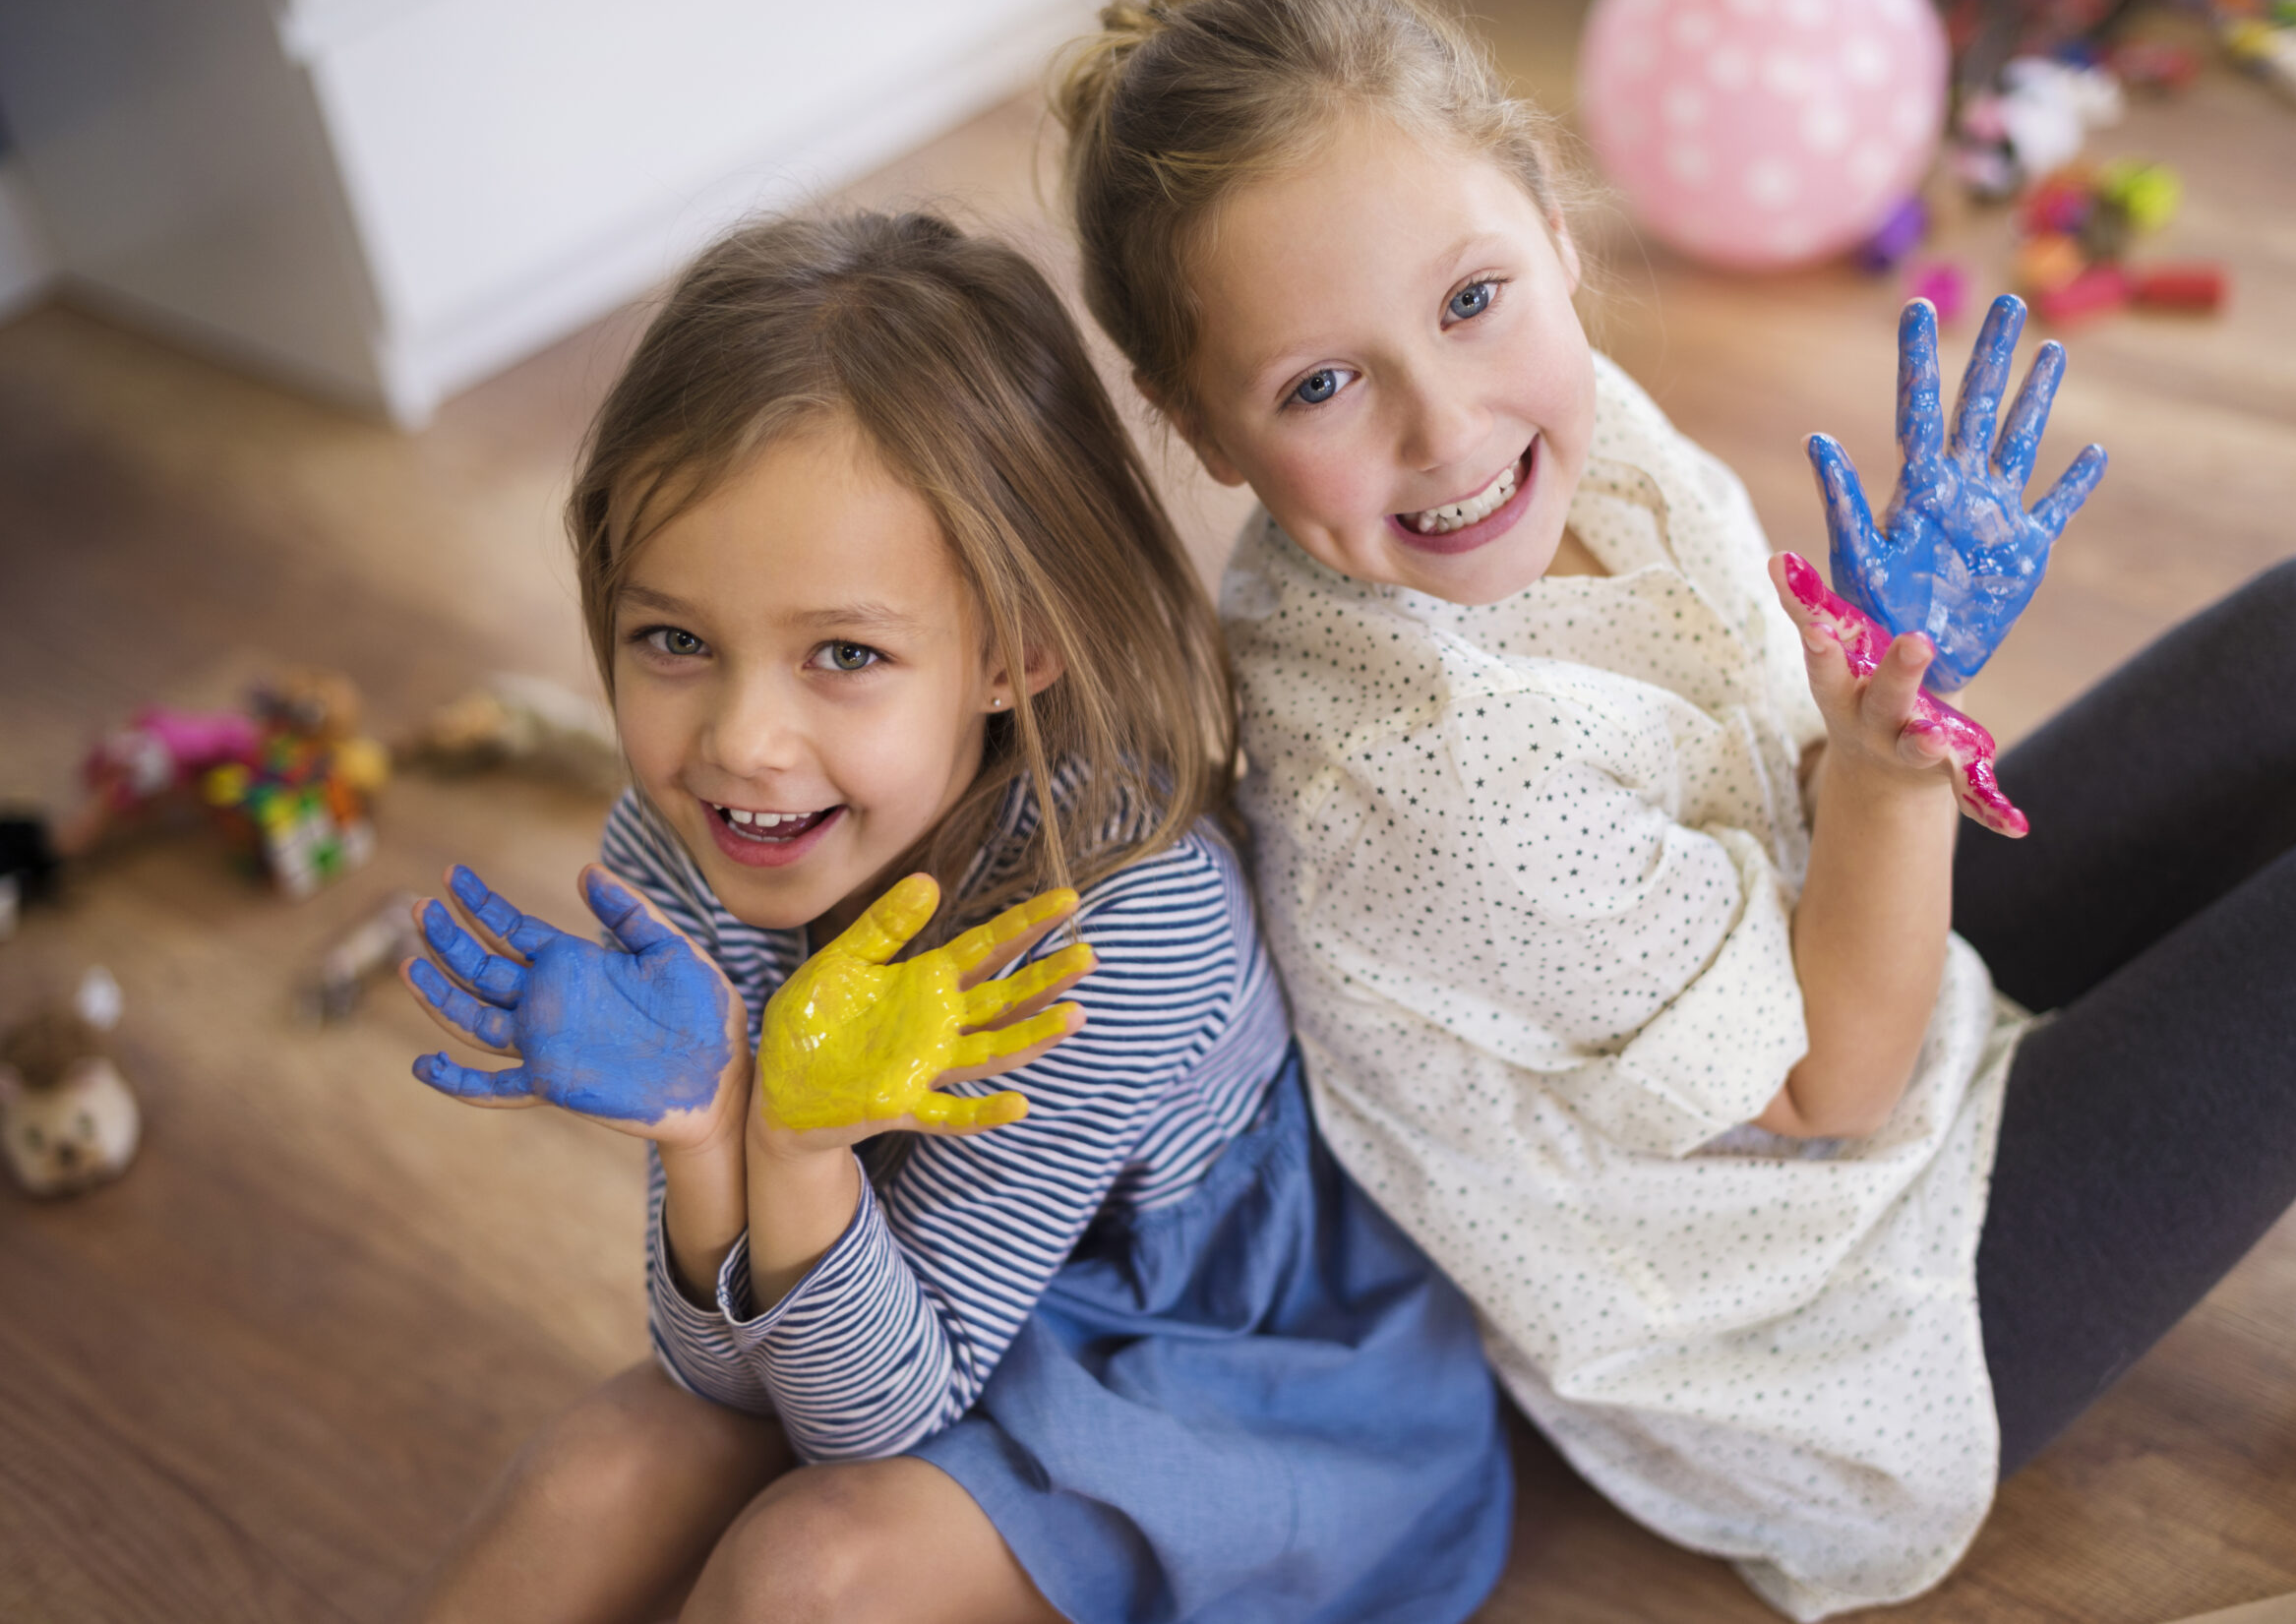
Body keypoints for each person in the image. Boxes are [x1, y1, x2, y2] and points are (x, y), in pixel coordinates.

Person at [1052, 0, 2296, 1617]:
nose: (1445, 427)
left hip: (1859, 972)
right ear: (1199, 426)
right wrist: (1895, 779)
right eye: (1320, 384)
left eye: (1470, 301)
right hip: (1846, 1304)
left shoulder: (1573, 421)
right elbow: (1838, 1092)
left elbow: (1783, 775)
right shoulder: (1435, 773)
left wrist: (1864, 711)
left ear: (1550, 218)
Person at [394, 208, 1511, 1624]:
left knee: (810, 1570)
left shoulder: (1117, 935)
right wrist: (708, 1126)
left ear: (1014, 648)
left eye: (844, 654)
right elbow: (724, 1374)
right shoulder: (685, 853)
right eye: (671, 639)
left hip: (1214, 1376)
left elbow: (871, 1427)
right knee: (604, 1469)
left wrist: (790, 1149)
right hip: (889, 1319)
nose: (741, 741)